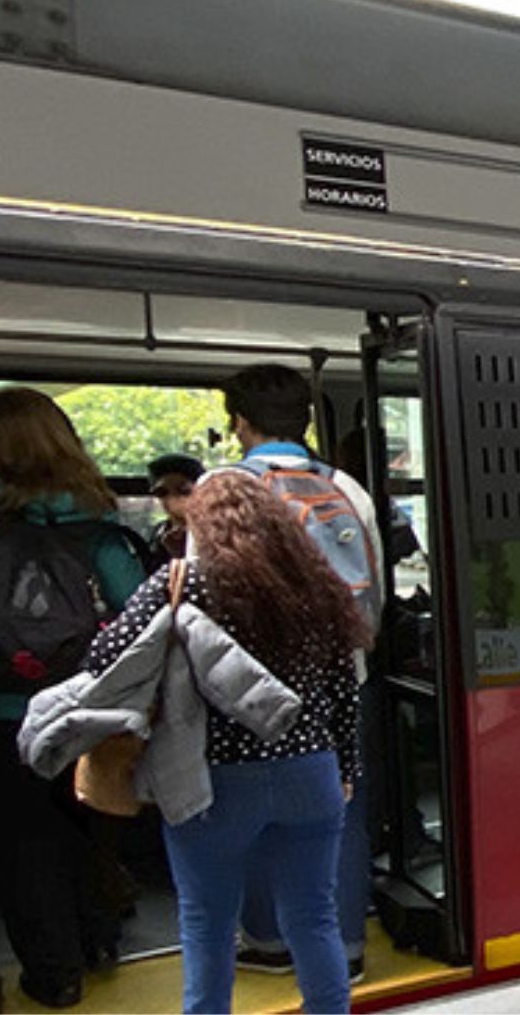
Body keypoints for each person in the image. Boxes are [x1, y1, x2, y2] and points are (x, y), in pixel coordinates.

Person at [79, 472, 369, 1014]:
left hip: (213, 780)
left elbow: (104, 659)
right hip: (312, 772)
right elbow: (342, 691)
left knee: (207, 922)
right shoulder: (316, 587)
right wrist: (346, 769)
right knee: (313, 916)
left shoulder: (182, 583)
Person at [0, 387, 147, 1009]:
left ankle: (54, 973)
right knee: (88, 823)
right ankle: (100, 939)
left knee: (21, 840)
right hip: (86, 703)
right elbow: (136, 613)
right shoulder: (96, 516)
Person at [221, 365, 385, 984]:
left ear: (240, 421)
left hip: (254, 687)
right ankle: (345, 948)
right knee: (341, 809)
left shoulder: (226, 489)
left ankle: (268, 942)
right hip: (342, 677)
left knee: (255, 813)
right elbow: (375, 595)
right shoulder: (347, 489)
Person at [147, 452, 205, 566]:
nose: (173, 502)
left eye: (184, 492)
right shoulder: (158, 536)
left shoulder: (216, 533)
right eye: (162, 493)